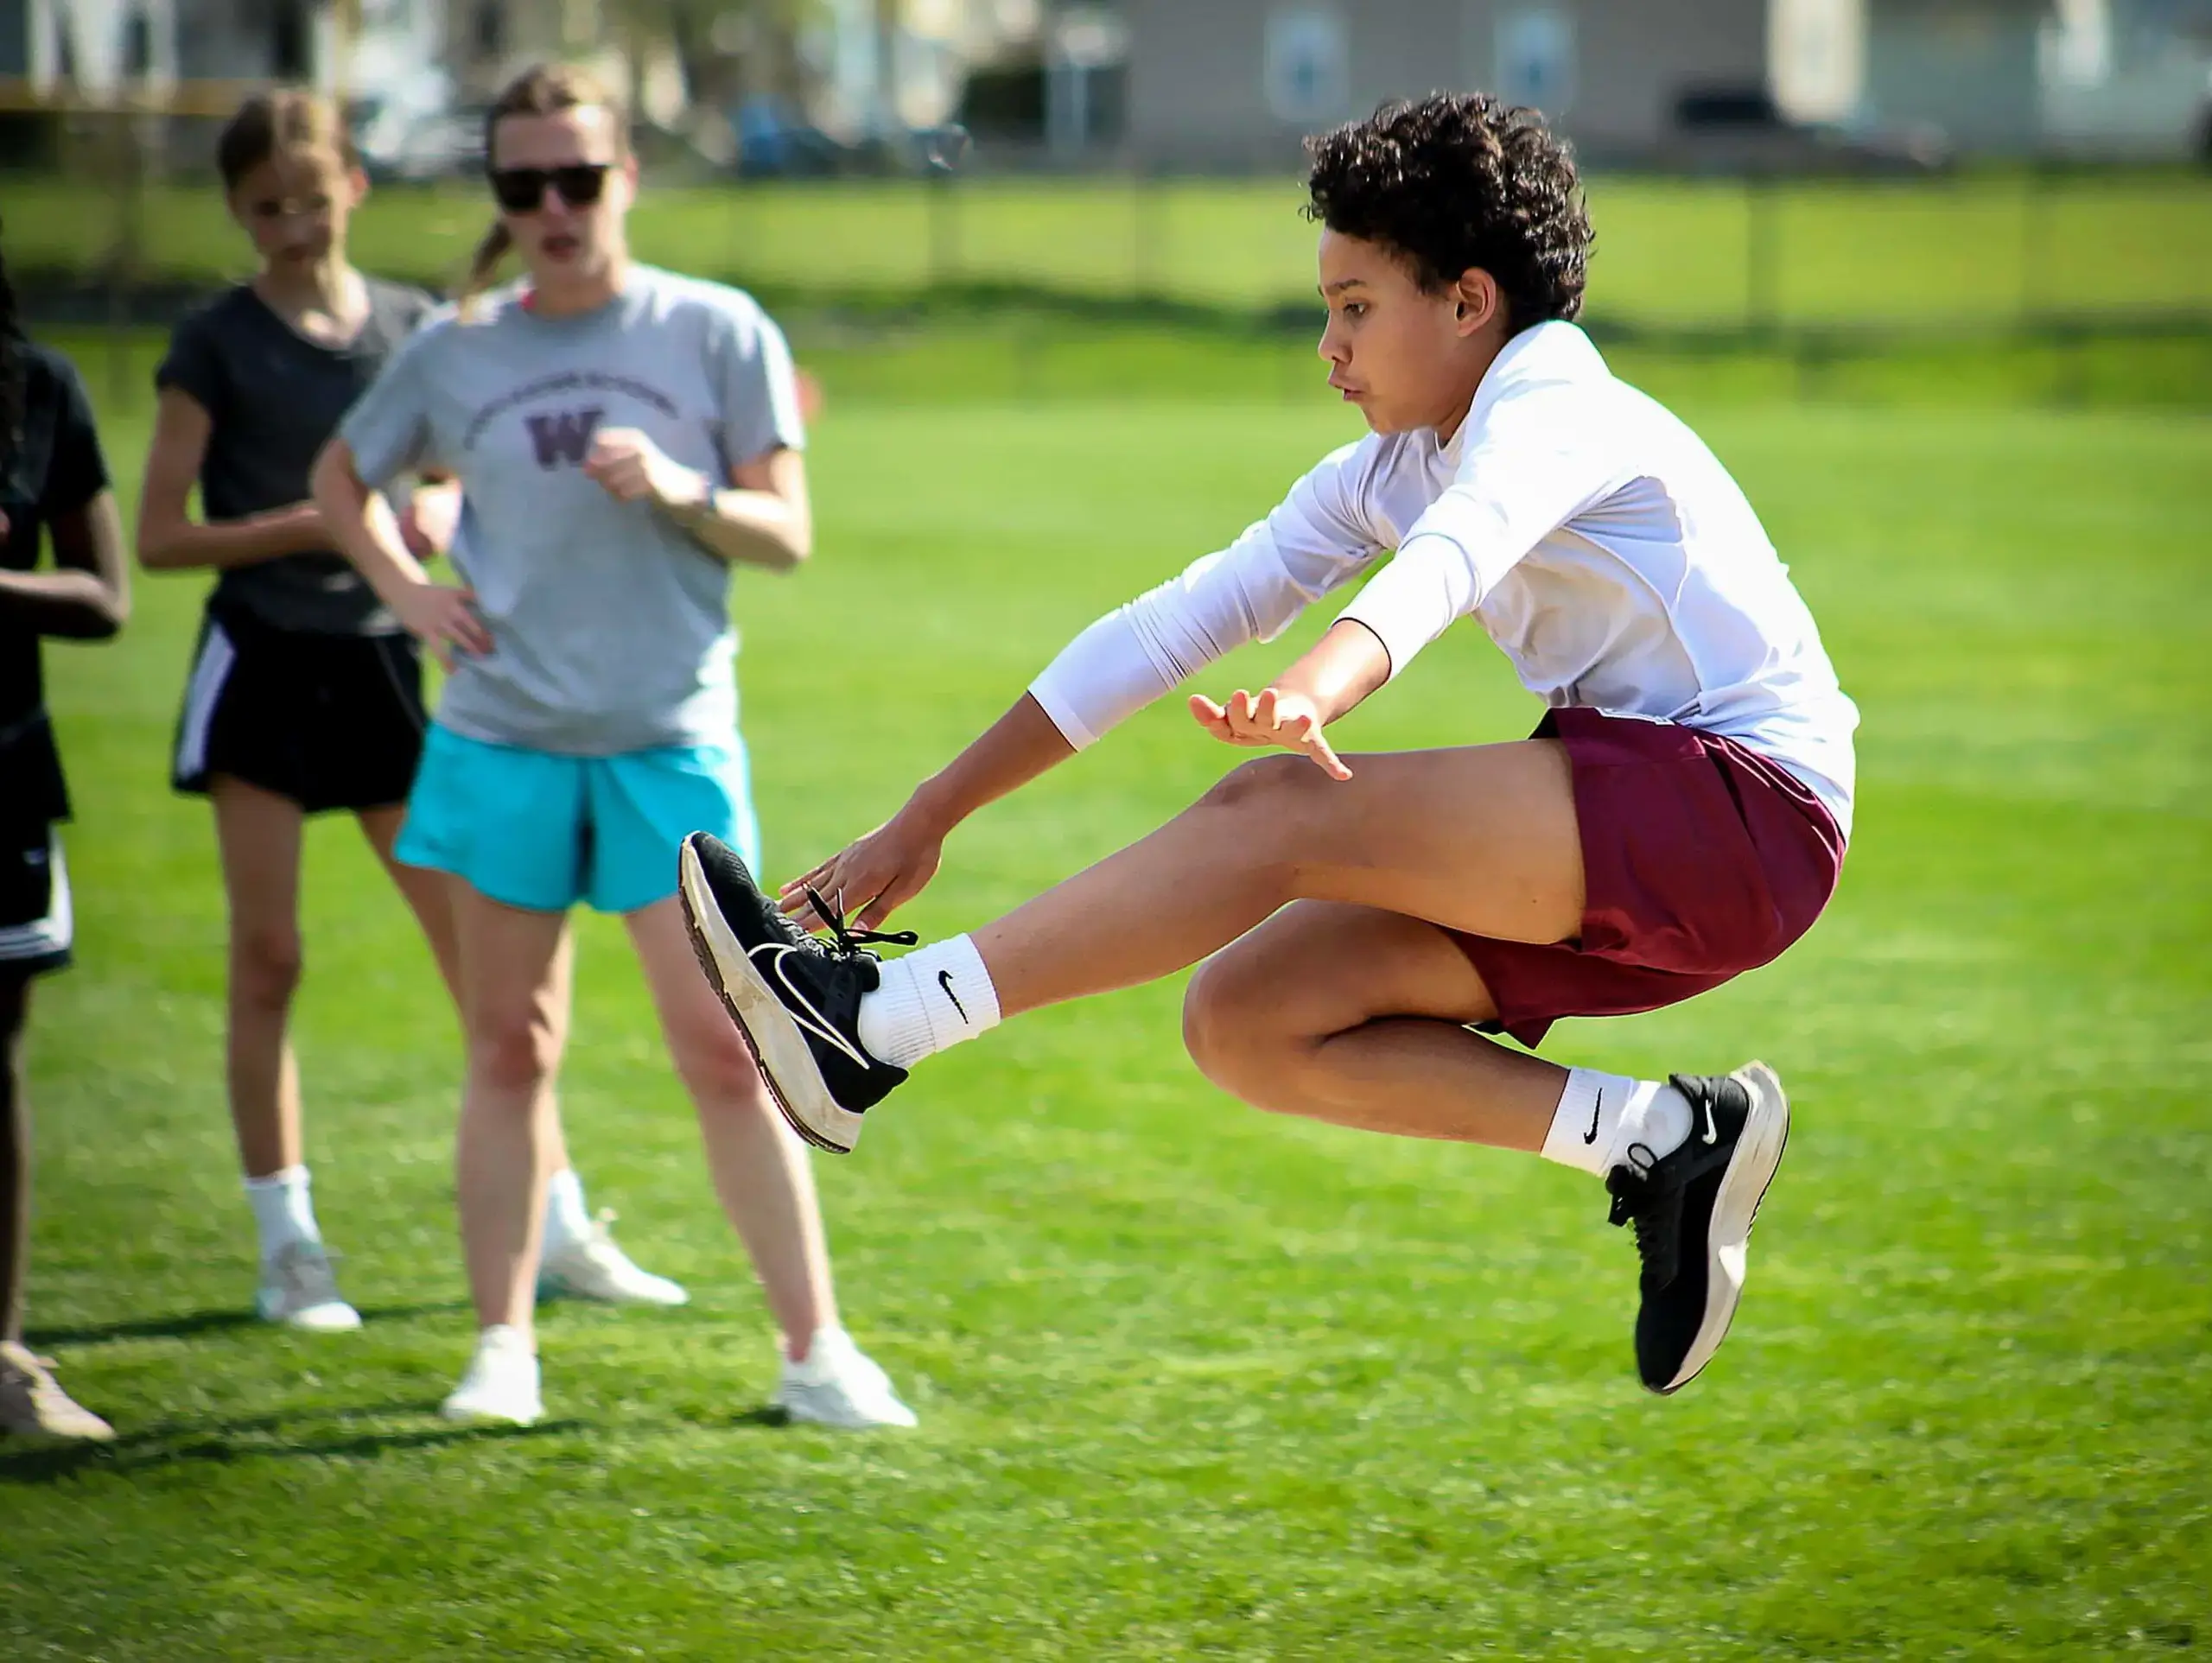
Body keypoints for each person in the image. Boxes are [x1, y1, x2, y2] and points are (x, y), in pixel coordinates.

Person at [677, 93, 1858, 1397]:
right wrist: (931, 813)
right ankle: (1665, 1139)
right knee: (1250, 1020)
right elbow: (1175, 624)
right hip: (1670, 837)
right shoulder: (1394, 463)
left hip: (1751, 813)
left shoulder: (1555, 398)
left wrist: (1320, 683)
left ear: (1469, 301)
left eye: (1355, 307)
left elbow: (1457, 561)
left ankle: (874, 1028)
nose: (1328, 345)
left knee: (1276, 810)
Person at [310, 63, 913, 1429]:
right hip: (504, 741)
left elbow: (788, 531)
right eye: (522, 186)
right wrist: (405, 595)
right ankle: (502, 1350)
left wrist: (684, 488)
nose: (552, 208)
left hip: (668, 745)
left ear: (624, 178)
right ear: (501, 198)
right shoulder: (455, 354)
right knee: (509, 1050)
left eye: (576, 179)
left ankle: (817, 1356)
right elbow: (341, 477)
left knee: (727, 1050)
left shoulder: (714, 330)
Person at [137, 91, 681, 1334]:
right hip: (264, 663)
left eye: (310, 199)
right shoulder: (215, 341)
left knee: (492, 991)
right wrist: (329, 520)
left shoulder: (415, 330)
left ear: (355, 190)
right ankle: (290, 1248)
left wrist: (430, 511)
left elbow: (452, 470)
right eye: (263, 206)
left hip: (388, 663)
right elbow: (163, 535)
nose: (289, 224)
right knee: (268, 957)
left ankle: (562, 1227)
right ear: (235, 209)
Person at [0, 219, 130, 1438]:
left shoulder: (40, 389)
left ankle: (4, 1353)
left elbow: (106, 595)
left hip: (4, 775)